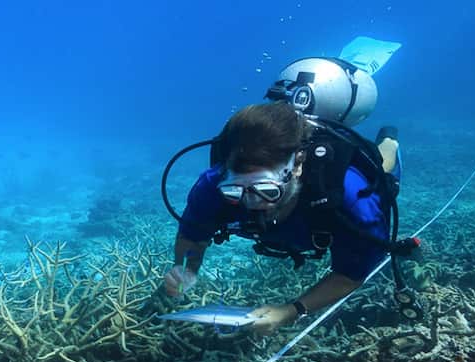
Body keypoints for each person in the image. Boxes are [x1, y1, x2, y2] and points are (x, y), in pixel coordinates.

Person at [161, 99, 403, 334]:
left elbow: (350, 275)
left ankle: (390, 141)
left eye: (266, 190)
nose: (252, 202)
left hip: (354, 179)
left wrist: (290, 311)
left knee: (382, 165)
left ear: (297, 165)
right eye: (235, 191)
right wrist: (187, 270)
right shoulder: (211, 186)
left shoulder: (352, 197)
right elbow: (192, 238)